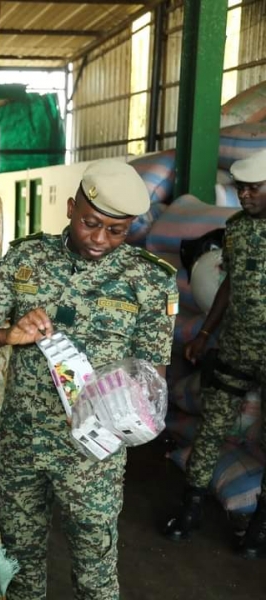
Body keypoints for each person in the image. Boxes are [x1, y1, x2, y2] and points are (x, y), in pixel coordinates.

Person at [0, 160, 177, 600]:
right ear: (72, 208)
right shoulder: (27, 259)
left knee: (95, 566)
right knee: (20, 560)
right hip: (23, 441)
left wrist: (129, 414)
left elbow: (153, 378)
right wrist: (6, 334)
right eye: (91, 223)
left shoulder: (150, 282)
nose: (100, 239)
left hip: (93, 454)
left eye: (117, 231)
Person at [161, 149, 266, 558]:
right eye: (241, 189)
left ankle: (258, 527)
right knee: (211, 427)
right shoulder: (237, 229)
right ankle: (190, 508)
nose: (245, 196)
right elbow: (229, 285)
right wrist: (204, 333)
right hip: (236, 348)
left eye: (254, 189)